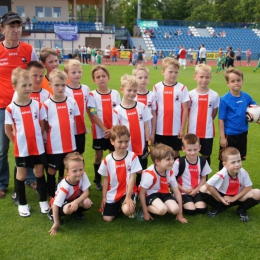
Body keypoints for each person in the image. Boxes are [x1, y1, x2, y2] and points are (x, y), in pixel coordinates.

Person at [0, 11, 38, 198]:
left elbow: (37, 74)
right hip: (2, 107)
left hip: (25, 106)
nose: (16, 30)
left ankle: (30, 178)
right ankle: (2, 182)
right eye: (11, 26)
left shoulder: (28, 50)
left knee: (28, 144)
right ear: (2, 29)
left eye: (18, 26)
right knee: (2, 147)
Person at [5, 68, 49, 217]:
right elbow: (7, 130)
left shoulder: (38, 105)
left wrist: (39, 140)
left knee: (39, 173)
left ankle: (43, 201)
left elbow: (42, 125)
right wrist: (16, 143)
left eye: (29, 85)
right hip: (22, 149)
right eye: (24, 85)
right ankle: (22, 204)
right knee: (21, 176)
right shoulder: (10, 109)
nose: (28, 88)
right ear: (14, 87)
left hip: (37, 148)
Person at [43, 69, 80, 198]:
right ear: (50, 85)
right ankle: (52, 196)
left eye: (63, 85)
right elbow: (45, 125)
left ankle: (71, 195)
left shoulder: (72, 102)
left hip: (70, 145)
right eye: (56, 85)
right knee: (51, 171)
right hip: (54, 146)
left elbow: (73, 121)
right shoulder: (46, 105)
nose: (60, 88)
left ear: (66, 83)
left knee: (71, 172)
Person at [200, 147, 260, 222]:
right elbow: (208, 185)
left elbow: (249, 187)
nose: (237, 164)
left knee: (258, 193)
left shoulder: (243, 172)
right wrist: (221, 199)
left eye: (239, 161)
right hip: (223, 197)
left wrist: (234, 198)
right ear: (225, 164)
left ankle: (241, 209)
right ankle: (218, 207)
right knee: (203, 189)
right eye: (233, 162)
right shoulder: (222, 173)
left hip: (238, 197)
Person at [113, 75, 152, 189]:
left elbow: (146, 125)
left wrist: (148, 144)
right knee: (127, 170)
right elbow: (116, 131)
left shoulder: (142, 107)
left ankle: (140, 191)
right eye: (129, 90)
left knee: (141, 171)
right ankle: (127, 190)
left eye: (135, 90)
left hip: (141, 147)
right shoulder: (117, 111)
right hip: (126, 147)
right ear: (122, 89)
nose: (132, 93)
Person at [98, 125, 142, 222]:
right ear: (112, 141)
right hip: (113, 192)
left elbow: (132, 178)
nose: (123, 145)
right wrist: (104, 198)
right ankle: (118, 206)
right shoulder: (107, 160)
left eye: (126, 141)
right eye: (120, 142)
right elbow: (105, 179)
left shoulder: (132, 156)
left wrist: (128, 197)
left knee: (127, 211)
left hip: (127, 191)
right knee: (107, 219)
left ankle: (129, 205)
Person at [87, 65, 121, 190]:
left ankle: (113, 179)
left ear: (108, 77)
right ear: (94, 80)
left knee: (113, 155)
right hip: (99, 132)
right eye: (98, 77)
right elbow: (93, 113)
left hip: (114, 131)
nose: (101, 79)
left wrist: (112, 130)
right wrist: (104, 129)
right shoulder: (92, 95)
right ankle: (98, 179)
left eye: (103, 76)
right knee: (98, 155)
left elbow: (119, 112)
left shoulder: (115, 94)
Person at [218, 68, 257, 170]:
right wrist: (222, 137)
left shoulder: (246, 97)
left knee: (238, 159)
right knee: (225, 159)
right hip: (229, 135)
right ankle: (221, 182)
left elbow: (256, 109)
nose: (236, 83)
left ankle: (236, 181)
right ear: (228, 83)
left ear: (242, 81)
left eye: (238, 80)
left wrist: (257, 118)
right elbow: (221, 119)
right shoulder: (224, 99)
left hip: (243, 133)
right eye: (232, 81)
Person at [138, 143, 187, 223]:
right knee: (162, 210)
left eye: (172, 158)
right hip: (151, 194)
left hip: (165, 193)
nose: (172, 161)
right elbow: (142, 193)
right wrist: (145, 213)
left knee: (175, 209)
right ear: (157, 161)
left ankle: (161, 205)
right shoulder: (149, 174)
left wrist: (180, 214)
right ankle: (145, 208)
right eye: (168, 159)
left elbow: (177, 192)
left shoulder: (170, 172)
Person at [153, 57, 189, 161]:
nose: (173, 74)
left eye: (176, 72)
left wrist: (182, 129)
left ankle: (175, 176)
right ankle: (160, 176)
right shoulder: (157, 87)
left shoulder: (182, 88)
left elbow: (185, 110)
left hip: (176, 129)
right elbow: (154, 110)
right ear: (163, 72)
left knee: (175, 152)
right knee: (159, 153)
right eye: (170, 72)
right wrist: (153, 129)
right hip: (160, 128)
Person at [48, 152, 92, 235]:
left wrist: (76, 202)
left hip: (73, 199)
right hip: (60, 204)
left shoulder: (83, 175)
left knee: (87, 202)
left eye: (81, 169)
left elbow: (86, 192)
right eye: (74, 171)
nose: (79, 173)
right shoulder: (64, 186)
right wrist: (56, 223)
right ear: (67, 172)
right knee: (68, 209)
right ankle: (51, 214)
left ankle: (78, 212)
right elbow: (55, 205)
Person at [188, 64, 219, 165]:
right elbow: (187, 111)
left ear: (211, 77)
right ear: (195, 77)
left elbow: (214, 113)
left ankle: (204, 178)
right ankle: (191, 179)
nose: (204, 80)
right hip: (192, 131)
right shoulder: (190, 94)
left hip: (207, 132)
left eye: (207, 77)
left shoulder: (214, 95)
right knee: (191, 155)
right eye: (201, 77)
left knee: (205, 156)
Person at [173, 134, 211, 215]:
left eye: (195, 149)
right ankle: (178, 199)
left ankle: (195, 201)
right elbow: (172, 179)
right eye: (189, 150)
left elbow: (204, 178)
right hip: (183, 191)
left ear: (199, 148)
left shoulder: (203, 161)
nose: (192, 152)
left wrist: (197, 189)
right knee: (191, 211)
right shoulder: (179, 162)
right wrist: (183, 190)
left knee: (201, 209)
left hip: (197, 190)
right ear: (183, 149)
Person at [64, 59, 90, 155]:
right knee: (68, 155)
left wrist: (93, 122)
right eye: (73, 72)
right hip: (68, 129)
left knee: (79, 154)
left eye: (79, 72)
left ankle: (80, 170)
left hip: (80, 128)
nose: (77, 74)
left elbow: (89, 108)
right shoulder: (64, 90)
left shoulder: (85, 89)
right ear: (66, 74)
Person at [133, 65, 156, 144]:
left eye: (145, 77)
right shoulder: (131, 95)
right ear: (134, 78)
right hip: (134, 132)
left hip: (148, 133)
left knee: (146, 154)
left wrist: (153, 133)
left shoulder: (152, 95)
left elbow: (154, 116)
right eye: (140, 78)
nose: (143, 80)